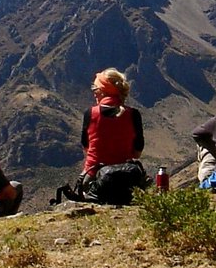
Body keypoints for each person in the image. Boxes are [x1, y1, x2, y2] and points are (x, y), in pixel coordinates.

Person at [55, 69, 150, 204]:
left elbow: (86, 148)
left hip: (95, 179)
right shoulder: (134, 114)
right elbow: (137, 153)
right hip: (127, 180)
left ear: (104, 91)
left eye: (95, 88)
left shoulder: (91, 114)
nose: (94, 92)